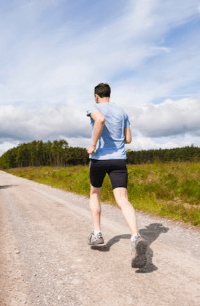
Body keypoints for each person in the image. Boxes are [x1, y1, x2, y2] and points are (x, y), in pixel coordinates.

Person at [86, 83, 147, 268]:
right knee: (122, 199)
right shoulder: (122, 111)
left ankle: (97, 234)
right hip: (119, 160)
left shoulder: (94, 108)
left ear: (96, 96)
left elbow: (100, 120)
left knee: (95, 193)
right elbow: (128, 139)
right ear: (109, 95)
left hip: (99, 159)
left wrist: (93, 145)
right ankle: (136, 235)